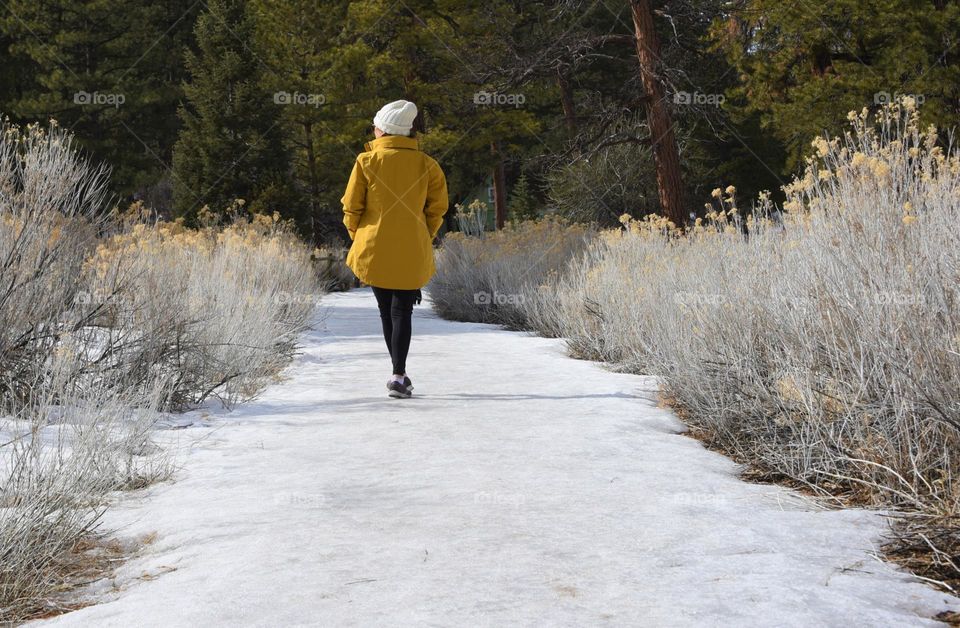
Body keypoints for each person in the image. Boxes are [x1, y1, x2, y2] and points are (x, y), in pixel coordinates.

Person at [340, 100, 449, 399]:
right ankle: (398, 375)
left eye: (375, 126)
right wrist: (424, 234)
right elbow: (438, 208)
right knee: (402, 311)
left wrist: (358, 236)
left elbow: (351, 207)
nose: (373, 130)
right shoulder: (427, 164)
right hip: (412, 248)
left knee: (385, 311)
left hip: (374, 247)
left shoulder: (366, 161)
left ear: (383, 130)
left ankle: (398, 374)